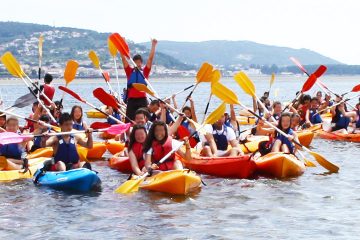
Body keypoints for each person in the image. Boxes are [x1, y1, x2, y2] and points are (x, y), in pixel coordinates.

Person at [120, 39, 158, 122]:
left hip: (142, 99)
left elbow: (150, 59)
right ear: (133, 63)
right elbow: (123, 59)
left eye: (139, 62)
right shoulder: (129, 71)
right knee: (129, 120)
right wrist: (120, 47)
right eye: (135, 62)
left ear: (141, 63)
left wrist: (153, 45)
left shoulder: (145, 71)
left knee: (144, 119)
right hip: (131, 100)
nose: (137, 64)